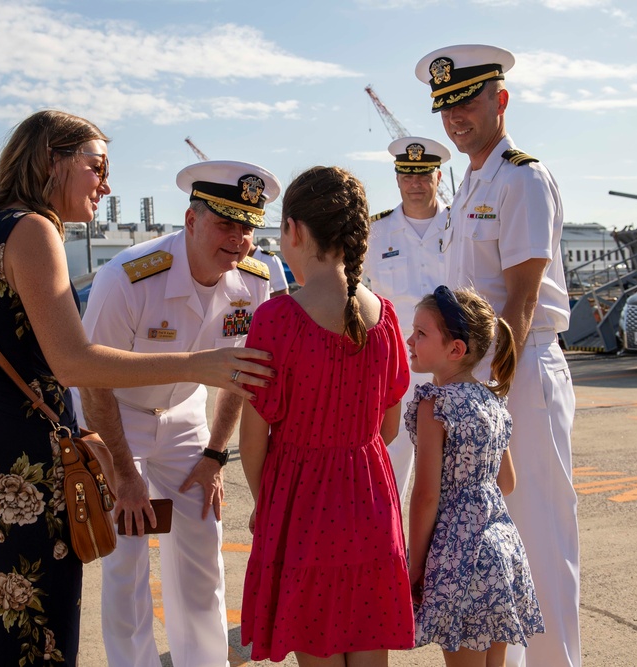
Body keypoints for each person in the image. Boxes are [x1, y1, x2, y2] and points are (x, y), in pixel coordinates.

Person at [0, 112, 275, 667]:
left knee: (6, 624)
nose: (105, 184)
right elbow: (77, 366)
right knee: (40, 627)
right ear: (52, 161)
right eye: (96, 167)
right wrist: (201, 363)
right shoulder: (33, 230)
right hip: (29, 463)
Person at [416, 44, 580, 667]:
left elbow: (521, 300)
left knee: (539, 533)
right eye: (445, 108)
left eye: (468, 102)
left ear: (500, 100)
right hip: (475, 382)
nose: (457, 118)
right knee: (495, 541)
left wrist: (493, 395)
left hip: (520, 374)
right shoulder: (469, 188)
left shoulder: (522, 178)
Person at [78, 159, 279, 667]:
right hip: (116, 421)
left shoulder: (254, 282)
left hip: (187, 417)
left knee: (201, 557)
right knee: (125, 564)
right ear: (191, 221)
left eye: (248, 227)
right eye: (225, 224)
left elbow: (241, 372)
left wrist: (215, 454)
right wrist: (123, 472)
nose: (238, 240)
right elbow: (93, 379)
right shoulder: (127, 278)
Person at [240, 166, 414, 666]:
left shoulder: (277, 320)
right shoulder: (384, 316)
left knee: (316, 649)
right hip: (370, 501)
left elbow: (252, 441)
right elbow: (389, 425)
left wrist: (265, 500)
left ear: (294, 231)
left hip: (303, 508)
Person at [405, 285, 544, 666]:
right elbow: (507, 482)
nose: (409, 340)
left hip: (459, 557)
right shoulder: (491, 400)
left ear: (456, 349)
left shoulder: (435, 404)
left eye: (421, 333)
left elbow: (427, 496)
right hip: (501, 549)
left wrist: (415, 564)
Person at [363, 136, 452, 504]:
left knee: (454, 466)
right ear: (398, 179)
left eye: (423, 175)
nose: (415, 184)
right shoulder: (374, 232)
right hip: (396, 365)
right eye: (406, 176)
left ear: (438, 177)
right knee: (390, 463)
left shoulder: (460, 225)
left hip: (452, 364)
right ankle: (390, 550)